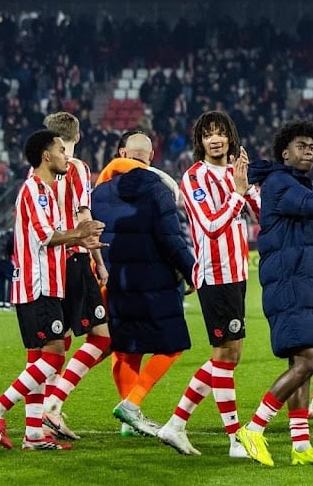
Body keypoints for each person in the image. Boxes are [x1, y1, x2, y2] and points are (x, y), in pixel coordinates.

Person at [235, 120, 313, 467]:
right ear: (284, 153)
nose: (308, 152)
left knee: (302, 363)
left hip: (305, 284)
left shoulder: (298, 184)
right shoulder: (279, 183)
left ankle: (302, 446)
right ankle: (254, 427)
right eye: (301, 146)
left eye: (311, 147)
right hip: (290, 285)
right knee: (307, 362)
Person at [0, 130, 105, 451]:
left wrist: (80, 238)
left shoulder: (45, 190)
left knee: (41, 359)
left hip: (48, 285)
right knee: (54, 355)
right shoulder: (34, 189)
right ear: (46, 156)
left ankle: (33, 434)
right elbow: (45, 235)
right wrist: (79, 233)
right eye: (61, 150)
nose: (66, 156)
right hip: (37, 286)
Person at [158, 111, 260, 458]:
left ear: (230, 137)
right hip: (215, 275)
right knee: (225, 356)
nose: (215, 140)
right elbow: (212, 226)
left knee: (229, 355)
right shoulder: (194, 177)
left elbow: (260, 213)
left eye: (220, 133)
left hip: (238, 273)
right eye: (207, 135)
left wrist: (250, 187)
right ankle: (234, 439)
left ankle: (176, 424)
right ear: (200, 142)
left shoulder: (235, 173)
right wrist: (238, 194)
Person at [93, 132, 198, 440]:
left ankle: (129, 422)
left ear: (123, 154)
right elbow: (171, 238)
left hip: (116, 280)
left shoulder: (99, 192)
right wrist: (191, 272)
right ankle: (132, 404)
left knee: (126, 351)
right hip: (154, 281)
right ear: (151, 157)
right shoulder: (158, 187)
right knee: (173, 345)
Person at [38, 111, 112, 442]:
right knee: (101, 338)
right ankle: (52, 406)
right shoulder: (77, 167)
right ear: (78, 136)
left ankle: (43, 419)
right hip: (75, 259)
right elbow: (84, 216)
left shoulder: (37, 170)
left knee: (59, 340)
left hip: (49, 261)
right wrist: (99, 262)